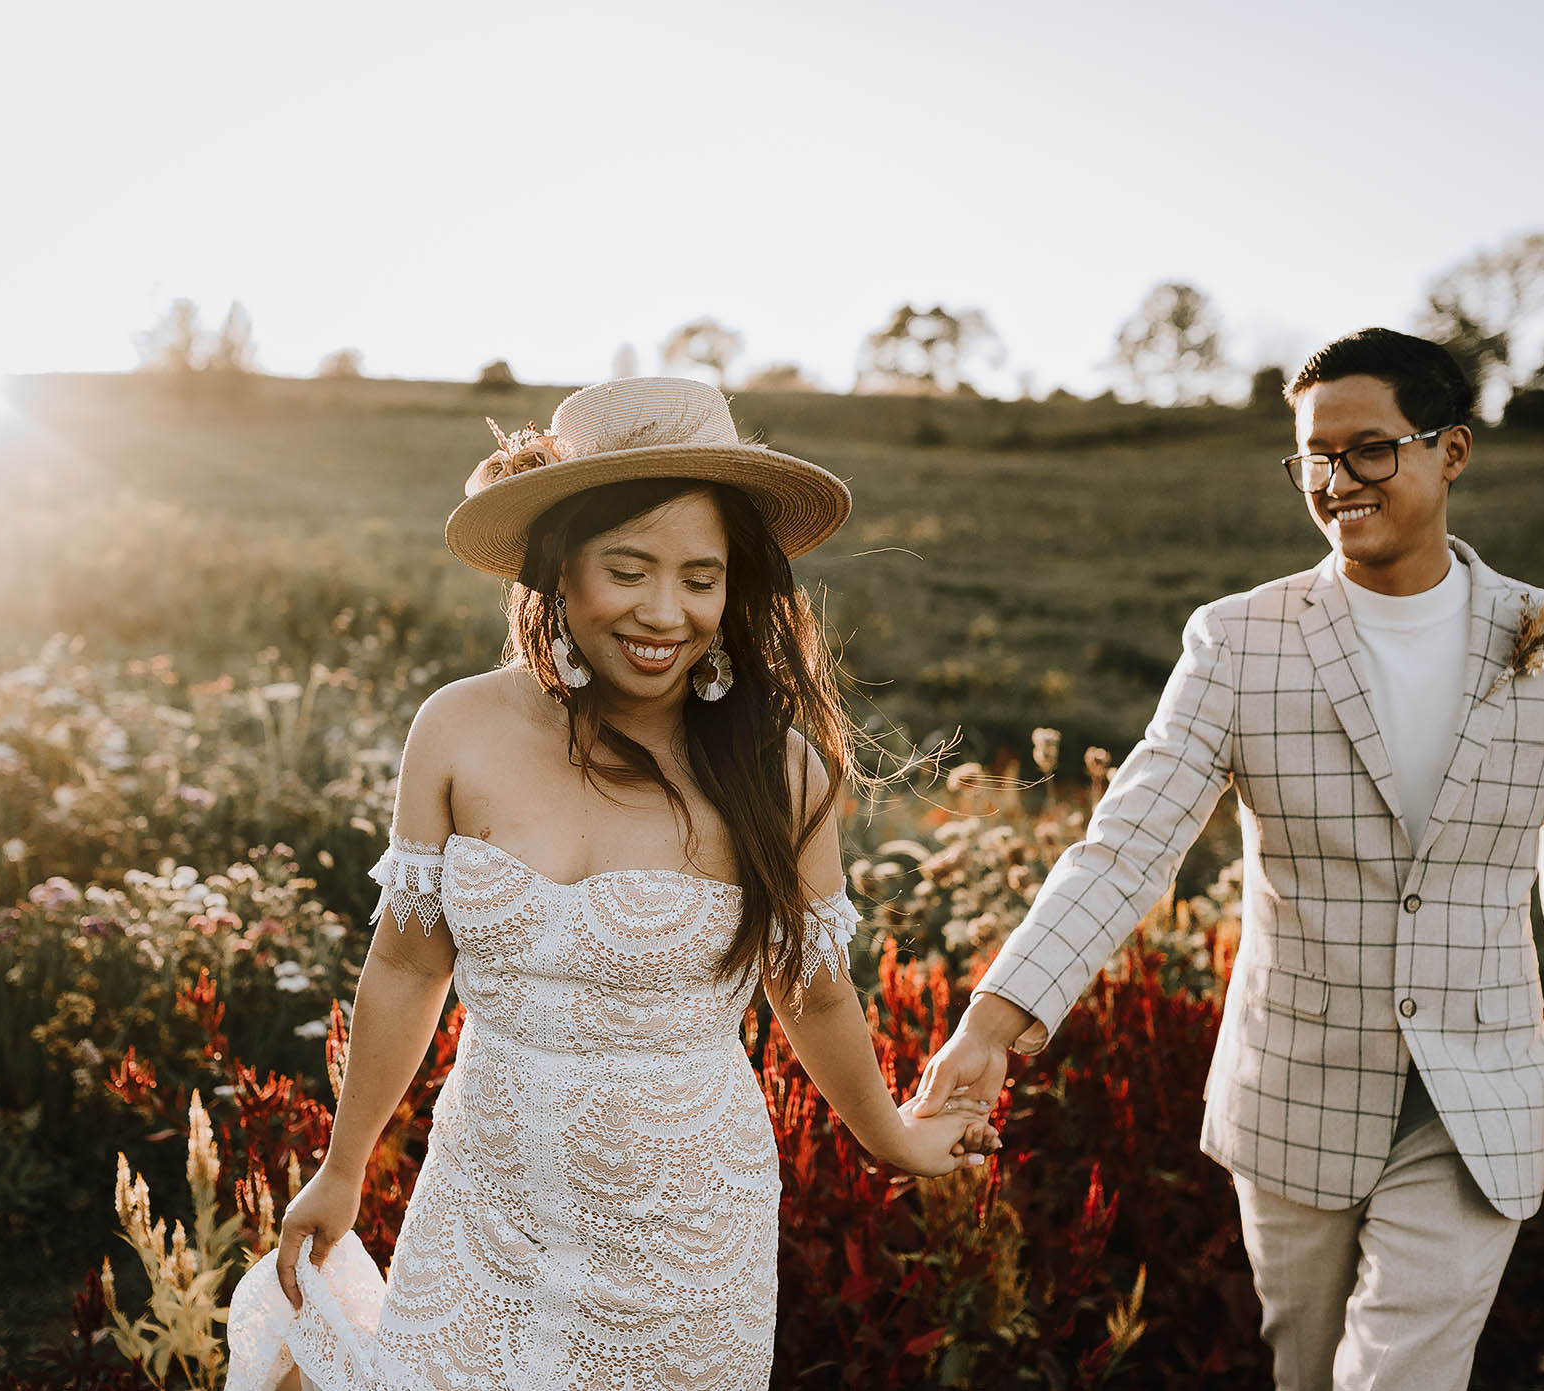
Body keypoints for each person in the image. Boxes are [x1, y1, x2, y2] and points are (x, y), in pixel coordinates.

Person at [911, 329, 1544, 1390]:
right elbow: (1127, 845)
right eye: (1313, 454)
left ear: (1450, 451)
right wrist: (993, 1021)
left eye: (1367, 450)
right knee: (1303, 1371)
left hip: (1474, 1098)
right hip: (1292, 1091)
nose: (1333, 480)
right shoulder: (1235, 639)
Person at [227, 377, 997, 1390]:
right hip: (483, 1199)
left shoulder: (779, 771)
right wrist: (343, 1165)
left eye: (700, 577)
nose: (664, 612)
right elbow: (408, 964)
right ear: (557, 569)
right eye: (627, 570)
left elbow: (808, 991)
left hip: (681, 1231)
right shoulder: (455, 730)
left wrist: (890, 1133)